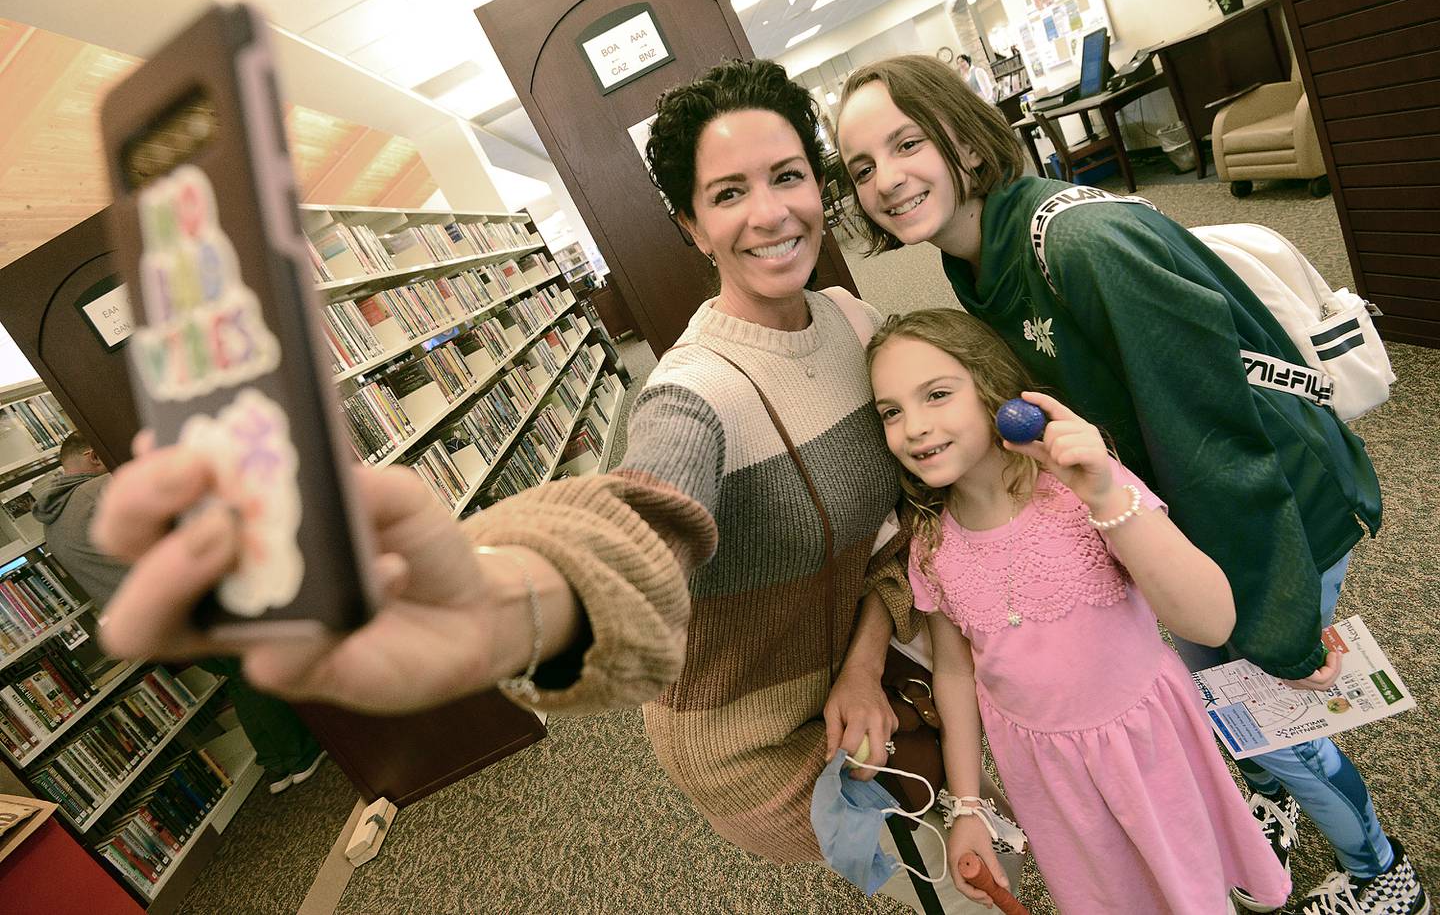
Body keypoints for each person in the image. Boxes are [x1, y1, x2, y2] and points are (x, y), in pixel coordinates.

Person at [88, 60, 1015, 912]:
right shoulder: (692, 393)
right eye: (728, 193)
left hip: (877, 670)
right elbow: (640, 526)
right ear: (692, 225)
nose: (770, 213)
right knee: (927, 887)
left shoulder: (853, 319)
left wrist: (864, 653)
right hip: (766, 740)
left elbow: (900, 525)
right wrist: (521, 603)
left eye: (787, 176)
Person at [834, 54, 1427, 915]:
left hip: (1271, 517)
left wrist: (1285, 633)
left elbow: (1220, 449)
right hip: (1171, 515)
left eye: (907, 143)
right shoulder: (976, 257)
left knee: (1281, 712)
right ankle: (1270, 794)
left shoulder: (1081, 244)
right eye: (862, 167)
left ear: (962, 138)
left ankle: (1385, 874)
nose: (886, 181)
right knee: (1222, 700)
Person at [868, 307, 1289, 913]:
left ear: (992, 389)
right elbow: (956, 672)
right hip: (1044, 773)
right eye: (891, 411)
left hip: (1146, 749)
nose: (913, 427)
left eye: (937, 394)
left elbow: (1210, 621)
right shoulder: (930, 543)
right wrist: (966, 807)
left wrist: (1100, 493)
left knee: (1186, 881)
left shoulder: (1079, 490)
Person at [32, 432, 326, 795]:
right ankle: (297, 755)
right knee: (248, 672)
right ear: (94, 455)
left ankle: (277, 764)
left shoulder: (51, 525)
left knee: (237, 677)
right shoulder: (102, 490)